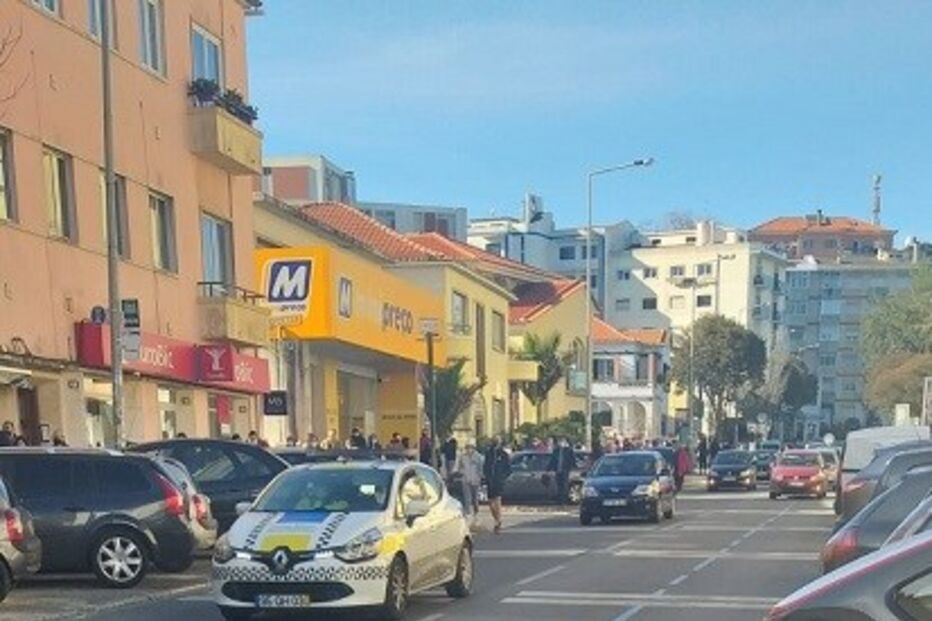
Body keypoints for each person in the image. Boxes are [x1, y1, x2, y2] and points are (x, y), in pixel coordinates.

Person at [483, 437, 511, 534]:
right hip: (490, 480)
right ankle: (497, 519)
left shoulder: (503, 454)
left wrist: (502, 477)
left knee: (497, 500)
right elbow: (485, 466)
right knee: (490, 502)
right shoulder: (488, 453)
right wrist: (486, 476)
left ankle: (497, 522)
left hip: (498, 481)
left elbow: (508, 469)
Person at [455, 443, 484, 527]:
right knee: (467, 499)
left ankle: (476, 515)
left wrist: (480, 478)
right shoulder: (462, 457)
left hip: (475, 480)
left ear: (474, 448)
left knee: (475, 499)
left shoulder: (478, 457)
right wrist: (461, 473)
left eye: (470, 448)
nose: (468, 450)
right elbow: (459, 467)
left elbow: (481, 469)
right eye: (467, 448)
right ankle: (468, 515)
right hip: (466, 480)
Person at [548, 437, 576, 504]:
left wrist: (571, 468)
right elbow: (552, 461)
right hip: (557, 470)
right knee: (559, 485)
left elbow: (572, 461)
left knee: (565, 485)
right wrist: (549, 469)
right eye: (560, 441)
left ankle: (564, 500)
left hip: (565, 470)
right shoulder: (556, 451)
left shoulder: (569, 451)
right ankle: (560, 500)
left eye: (563, 441)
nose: (561, 443)